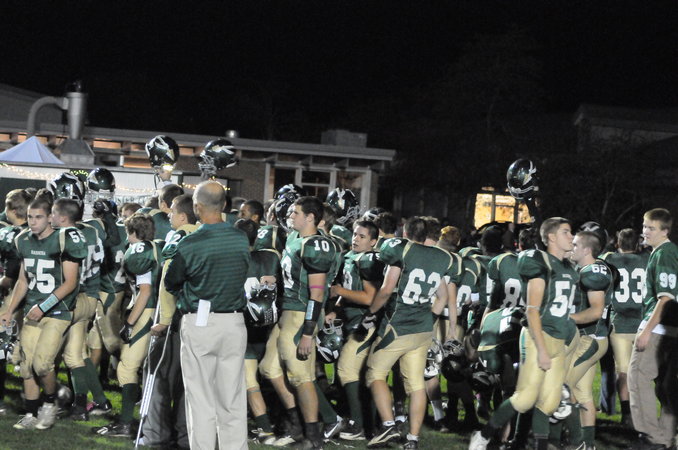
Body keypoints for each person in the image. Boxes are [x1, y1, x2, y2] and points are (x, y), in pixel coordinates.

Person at [469, 217, 578, 450]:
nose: (572, 237)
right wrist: (542, 350)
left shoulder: (567, 268)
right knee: (525, 396)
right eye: (566, 232)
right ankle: (485, 436)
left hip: (556, 338)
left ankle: (527, 443)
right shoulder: (538, 263)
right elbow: (532, 311)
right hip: (534, 336)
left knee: (548, 402)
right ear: (551, 238)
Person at [165, 181, 250, 450]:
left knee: (200, 399)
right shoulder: (240, 238)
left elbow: (171, 281)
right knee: (232, 398)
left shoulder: (190, 243)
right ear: (223, 205)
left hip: (200, 320)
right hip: (234, 321)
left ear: (197, 207)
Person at [363, 216, 454, 449]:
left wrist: (371, 312)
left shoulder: (402, 251)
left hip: (398, 325)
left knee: (375, 373)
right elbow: (443, 297)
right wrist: (429, 319)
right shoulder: (440, 257)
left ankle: (388, 426)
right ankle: (413, 439)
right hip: (423, 328)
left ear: (405, 233)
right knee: (415, 385)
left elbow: (386, 290)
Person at [1, 197, 86, 430]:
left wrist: (43, 306)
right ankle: (31, 414)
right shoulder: (23, 240)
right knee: (26, 366)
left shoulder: (63, 239)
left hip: (57, 310)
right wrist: (10, 310)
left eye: (38, 217)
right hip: (32, 309)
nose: (33, 222)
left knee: (42, 365)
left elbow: (70, 282)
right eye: (30, 217)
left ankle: (50, 403)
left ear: (50, 218)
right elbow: (23, 280)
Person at [93, 213, 162, 437]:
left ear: (132, 231)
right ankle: (137, 421)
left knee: (126, 368)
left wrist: (130, 323)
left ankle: (126, 423)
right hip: (157, 311)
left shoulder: (139, 251)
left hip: (148, 311)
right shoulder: (156, 245)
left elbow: (145, 291)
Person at [141, 194, 199, 449]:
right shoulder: (206, 235)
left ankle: (155, 434)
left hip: (175, 318)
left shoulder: (179, 236)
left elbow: (167, 281)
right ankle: (186, 436)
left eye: (173, 211)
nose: (169, 215)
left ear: (183, 216)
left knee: (157, 375)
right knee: (190, 383)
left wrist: (164, 319)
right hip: (201, 319)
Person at [627, 208, 678, 450]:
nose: (645, 231)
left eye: (651, 228)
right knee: (666, 386)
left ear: (665, 231)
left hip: (660, 327)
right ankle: (667, 437)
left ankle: (651, 437)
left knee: (638, 377)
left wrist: (647, 329)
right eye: (644, 226)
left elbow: (665, 297)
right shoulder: (667, 252)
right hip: (671, 328)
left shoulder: (665, 253)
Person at [330, 220, 384, 440]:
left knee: (346, 369)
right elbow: (351, 289)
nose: (355, 239)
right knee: (360, 375)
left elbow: (370, 297)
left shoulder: (369, 260)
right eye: (354, 234)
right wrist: (336, 308)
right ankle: (370, 423)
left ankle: (358, 425)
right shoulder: (352, 257)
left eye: (362, 236)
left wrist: (339, 291)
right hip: (351, 320)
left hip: (365, 323)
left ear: (373, 241)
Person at [563, 230, 615, 449]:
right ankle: (588, 444)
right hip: (588, 338)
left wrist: (565, 319)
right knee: (582, 392)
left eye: (575, 244)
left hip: (591, 339)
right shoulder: (586, 268)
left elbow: (595, 310)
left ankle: (574, 439)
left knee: (562, 387)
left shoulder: (593, 272)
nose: (571, 247)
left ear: (586, 250)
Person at [601, 228, 648, 427]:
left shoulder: (609, 259)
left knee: (623, 371)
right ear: (637, 244)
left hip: (619, 322)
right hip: (642, 324)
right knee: (642, 373)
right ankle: (642, 413)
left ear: (618, 244)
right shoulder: (646, 259)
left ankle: (627, 414)